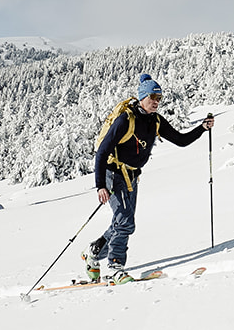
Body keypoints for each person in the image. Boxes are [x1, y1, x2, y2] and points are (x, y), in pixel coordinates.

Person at [85, 74, 214, 283]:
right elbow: (102, 151)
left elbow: (180, 140)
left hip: (131, 176)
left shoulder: (155, 120)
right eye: (153, 96)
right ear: (142, 97)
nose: (156, 101)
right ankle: (116, 267)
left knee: (125, 223)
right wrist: (100, 185)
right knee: (125, 222)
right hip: (113, 173)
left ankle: (94, 251)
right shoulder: (126, 119)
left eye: (159, 98)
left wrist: (202, 128)